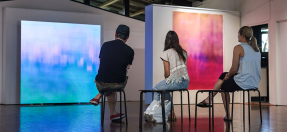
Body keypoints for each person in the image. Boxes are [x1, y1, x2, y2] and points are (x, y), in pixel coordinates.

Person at [197, 26, 261, 121]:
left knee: (224, 87)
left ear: (242, 35)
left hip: (243, 81)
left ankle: (227, 115)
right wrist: (228, 75)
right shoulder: (256, 49)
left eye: (238, 34)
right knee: (224, 74)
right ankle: (208, 99)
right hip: (254, 82)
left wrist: (228, 76)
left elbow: (234, 69)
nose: (237, 36)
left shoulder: (238, 48)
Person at [90, 24, 134, 121]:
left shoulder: (105, 45)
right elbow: (126, 69)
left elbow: (102, 65)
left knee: (109, 84)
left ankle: (99, 95)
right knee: (114, 83)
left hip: (100, 83)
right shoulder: (130, 51)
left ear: (115, 34)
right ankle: (113, 113)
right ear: (128, 37)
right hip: (118, 83)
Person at [146, 31, 190, 122]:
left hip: (175, 81)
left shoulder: (167, 53)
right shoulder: (183, 52)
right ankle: (171, 113)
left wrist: (169, 80)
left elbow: (167, 74)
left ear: (167, 41)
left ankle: (155, 114)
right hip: (185, 83)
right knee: (165, 89)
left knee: (156, 88)